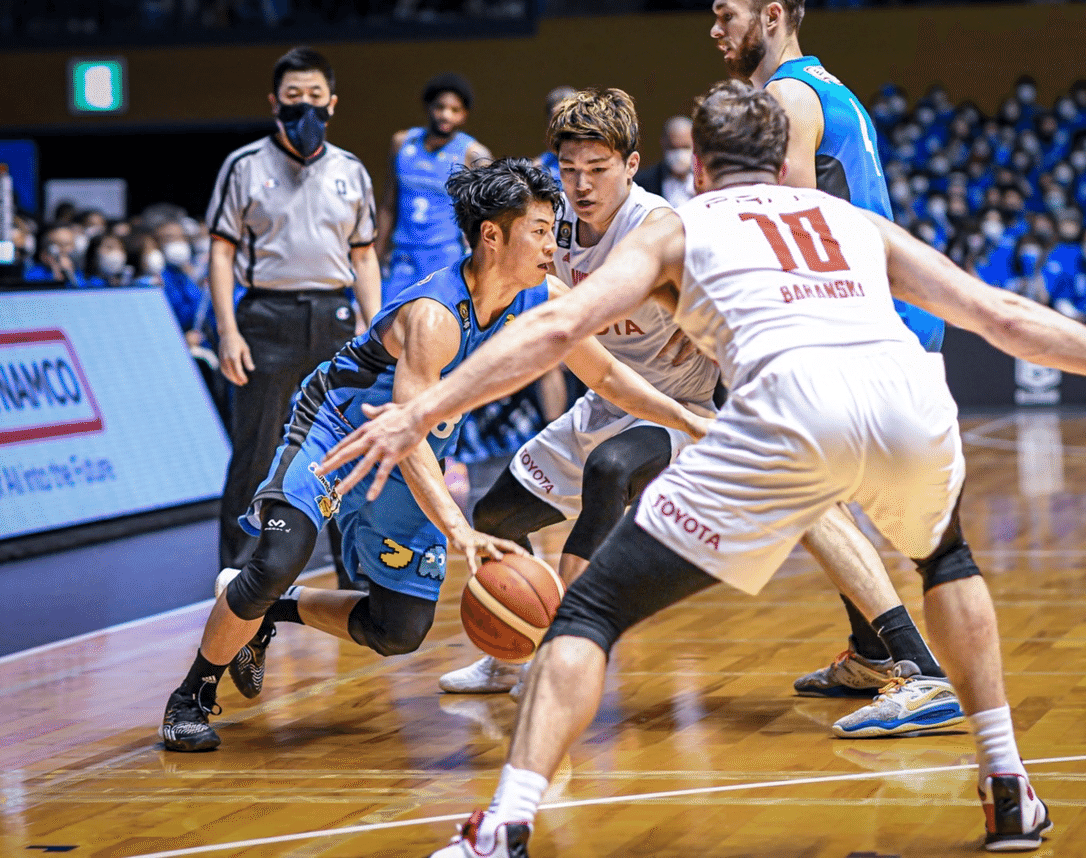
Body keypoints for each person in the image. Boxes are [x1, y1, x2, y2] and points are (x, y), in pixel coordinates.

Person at [319, 80, 1086, 857]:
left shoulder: (678, 225)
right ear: (784, 160)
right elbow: (998, 313)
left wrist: (420, 411)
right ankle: (1007, 781)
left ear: (697, 166)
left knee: (586, 611)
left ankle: (505, 825)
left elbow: (555, 329)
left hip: (784, 409)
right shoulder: (854, 222)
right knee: (947, 558)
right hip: (907, 399)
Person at [158, 158, 711, 752]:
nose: (553, 245)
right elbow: (408, 436)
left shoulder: (542, 298)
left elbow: (605, 375)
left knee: (397, 629)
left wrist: (686, 419)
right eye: (539, 231)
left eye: (553, 230)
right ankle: (191, 698)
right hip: (336, 432)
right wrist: (457, 528)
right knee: (277, 560)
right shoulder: (435, 316)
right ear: (492, 236)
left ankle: (272, 611)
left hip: (413, 449)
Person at [710, 0, 961, 737]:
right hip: (883, 313)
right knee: (830, 491)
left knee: (814, 489)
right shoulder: (826, 87)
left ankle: (919, 669)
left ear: (773, 15)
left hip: (863, 323)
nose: (715, 30)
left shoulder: (787, 98)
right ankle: (874, 652)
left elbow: (788, 226)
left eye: (726, 14)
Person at [436, 87, 720, 699]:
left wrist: (709, 328)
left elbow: (736, 301)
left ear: (631, 165)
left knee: (608, 469)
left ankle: (567, 649)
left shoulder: (660, 227)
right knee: (494, 517)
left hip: (681, 412)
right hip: (605, 398)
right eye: (569, 169)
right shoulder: (552, 225)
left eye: (598, 168)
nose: (582, 184)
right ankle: (509, 651)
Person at [206, 47, 382, 592]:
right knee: (257, 451)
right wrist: (228, 332)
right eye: (292, 96)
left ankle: (354, 574)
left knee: (344, 449)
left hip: (336, 317)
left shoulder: (351, 170)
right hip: (266, 318)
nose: (303, 106)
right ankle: (238, 576)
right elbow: (220, 252)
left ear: (332, 102)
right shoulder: (244, 166)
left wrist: (375, 330)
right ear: (273, 102)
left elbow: (364, 258)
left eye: (313, 96)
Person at [375, 73, 492, 305]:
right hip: (403, 254)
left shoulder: (474, 154)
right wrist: (375, 257)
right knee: (388, 319)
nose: (446, 115)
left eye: (455, 110)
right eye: (440, 107)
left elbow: (489, 216)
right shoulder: (402, 143)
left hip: (446, 254)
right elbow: (388, 205)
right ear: (428, 106)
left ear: (464, 115)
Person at [634, 115, 697, 207]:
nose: (679, 154)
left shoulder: (707, 180)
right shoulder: (643, 183)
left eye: (685, 147)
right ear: (663, 144)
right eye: (672, 147)